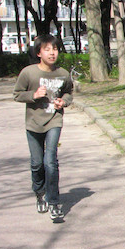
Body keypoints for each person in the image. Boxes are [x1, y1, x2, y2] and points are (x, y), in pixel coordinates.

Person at [13, 34, 73, 223]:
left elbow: (69, 93)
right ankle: (40, 193)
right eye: (47, 49)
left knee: (50, 162)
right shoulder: (29, 73)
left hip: (54, 120)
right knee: (37, 163)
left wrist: (64, 101)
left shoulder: (63, 73)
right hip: (33, 123)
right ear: (39, 53)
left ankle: (54, 202)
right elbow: (17, 94)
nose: (52, 53)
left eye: (54, 49)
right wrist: (33, 94)